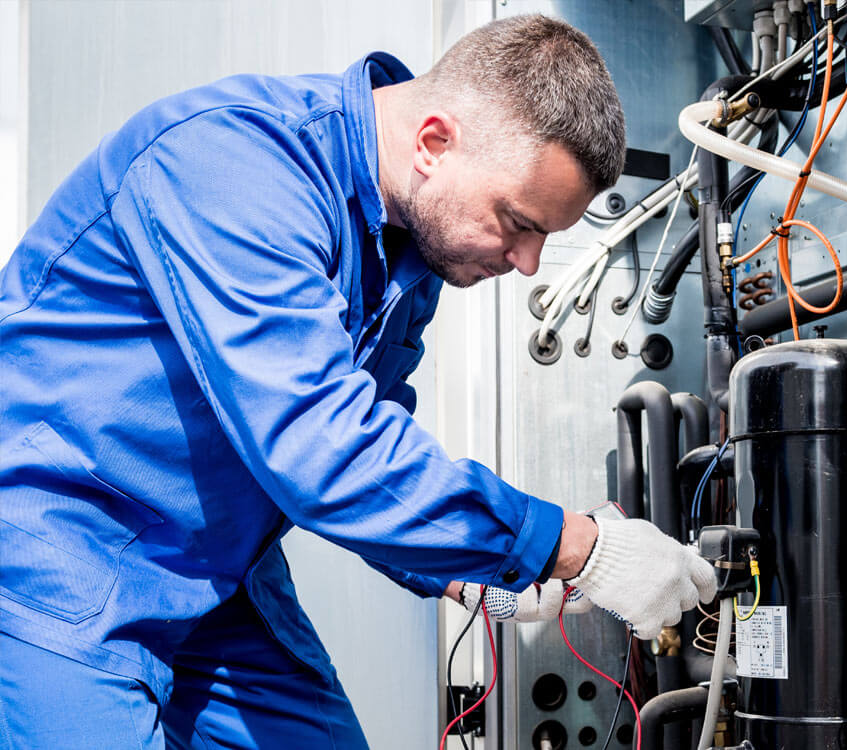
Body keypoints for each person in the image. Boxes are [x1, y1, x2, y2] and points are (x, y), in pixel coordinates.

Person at [0, 14, 716, 749]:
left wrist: (464, 571)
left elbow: (375, 433)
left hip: (218, 574)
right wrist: (573, 545)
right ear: (435, 143)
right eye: (518, 222)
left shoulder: (411, 249)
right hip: (60, 550)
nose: (528, 262)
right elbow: (322, 449)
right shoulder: (236, 164)